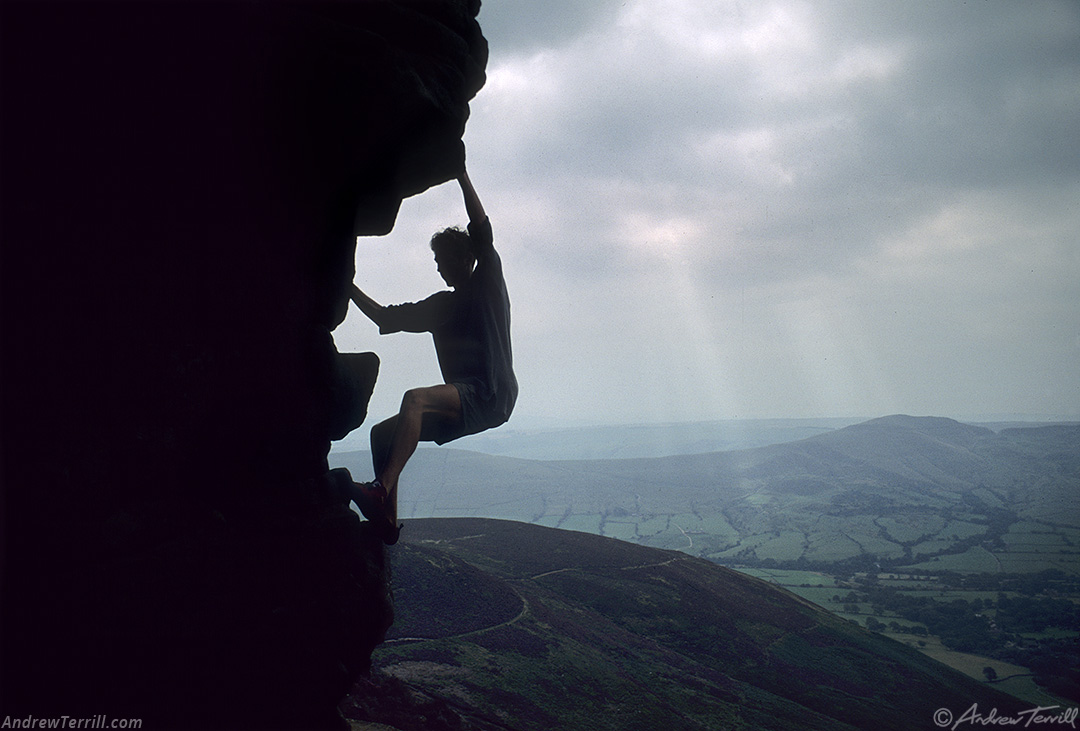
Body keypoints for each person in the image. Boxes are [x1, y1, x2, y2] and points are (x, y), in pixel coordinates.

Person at [347, 168, 517, 544]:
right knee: (381, 434)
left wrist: (461, 175)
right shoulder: (441, 306)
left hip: (489, 393)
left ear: (463, 258)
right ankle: (385, 522)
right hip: (465, 402)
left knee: (415, 398)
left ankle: (380, 488)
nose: (437, 266)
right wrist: (346, 284)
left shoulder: (486, 281)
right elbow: (385, 317)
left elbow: (481, 229)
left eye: (441, 258)